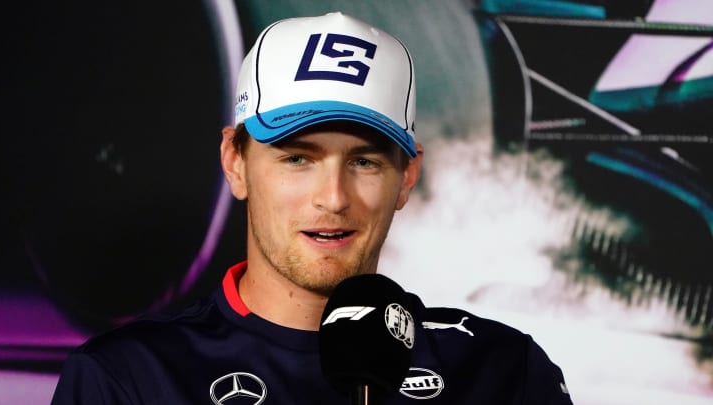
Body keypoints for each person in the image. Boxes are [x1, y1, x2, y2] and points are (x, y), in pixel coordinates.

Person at [51, 12, 574, 404]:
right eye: (298, 158)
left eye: (365, 162)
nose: (333, 197)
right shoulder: (127, 379)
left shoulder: (501, 371)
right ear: (236, 163)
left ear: (406, 176)